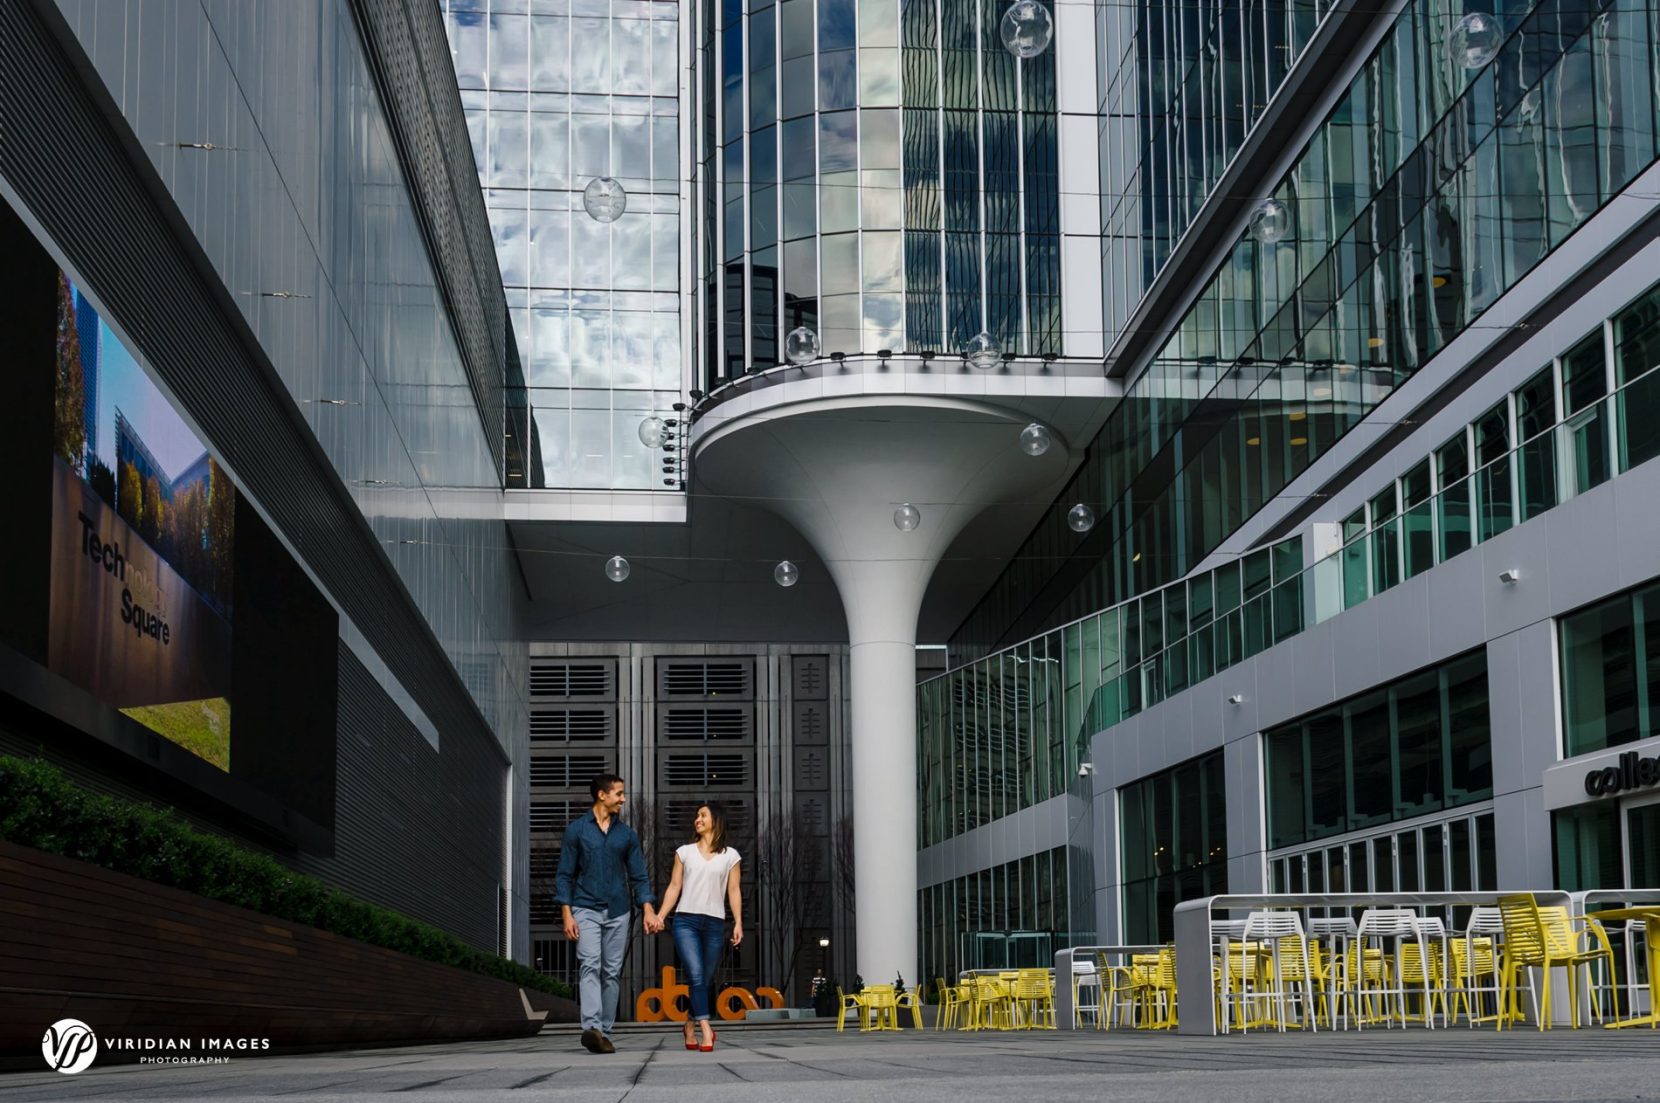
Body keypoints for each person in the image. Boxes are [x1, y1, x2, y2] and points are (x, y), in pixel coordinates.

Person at [553, 773, 660, 1054]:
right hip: (585, 907)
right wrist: (567, 913)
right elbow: (564, 875)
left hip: (618, 910)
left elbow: (639, 876)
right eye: (619, 794)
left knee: (611, 973)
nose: (623, 799)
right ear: (602, 795)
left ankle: (605, 1032)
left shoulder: (627, 835)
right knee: (590, 965)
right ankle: (592, 1028)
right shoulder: (576, 831)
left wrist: (648, 909)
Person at [649, 801, 742, 1052]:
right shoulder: (684, 852)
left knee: (706, 979)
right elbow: (674, 887)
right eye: (696, 816)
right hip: (685, 921)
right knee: (696, 975)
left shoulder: (731, 856)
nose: (697, 820)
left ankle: (689, 1024)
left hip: (715, 923)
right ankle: (706, 1029)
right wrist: (660, 915)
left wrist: (738, 923)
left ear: (716, 821)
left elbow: (734, 891)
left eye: (703, 815)